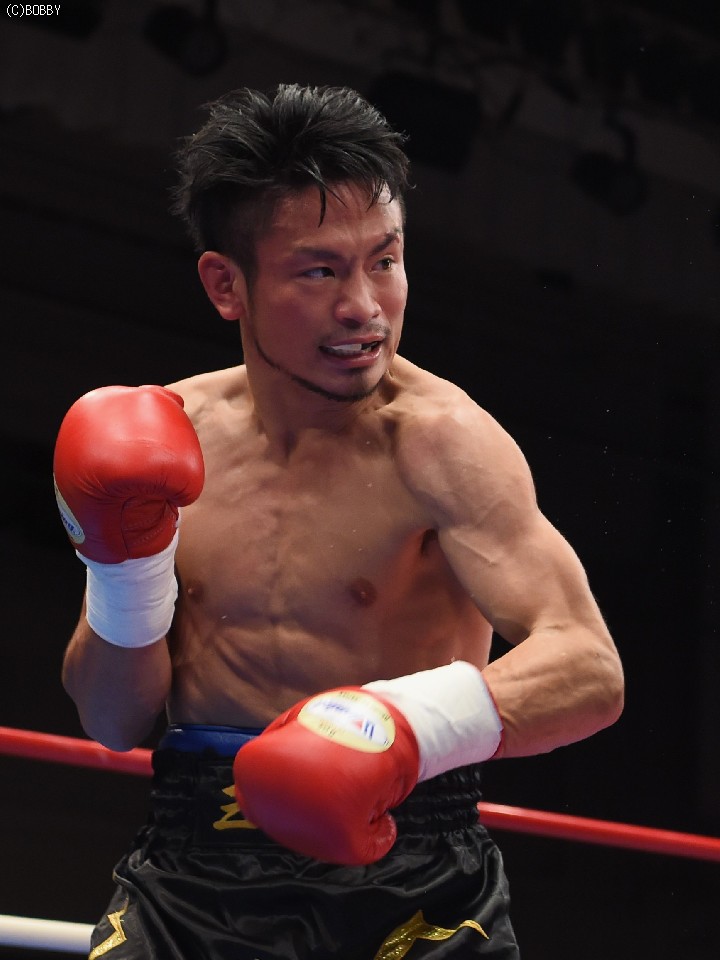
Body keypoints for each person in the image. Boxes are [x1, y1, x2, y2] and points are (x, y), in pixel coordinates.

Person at [55, 84, 624, 960]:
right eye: (320, 271)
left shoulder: (440, 443)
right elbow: (111, 722)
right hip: (191, 868)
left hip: (411, 866)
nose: (365, 306)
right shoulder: (164, 439)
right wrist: (124, 573)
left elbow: (588, 667)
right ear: (226, 285)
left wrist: (400, 729)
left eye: (384, 261)